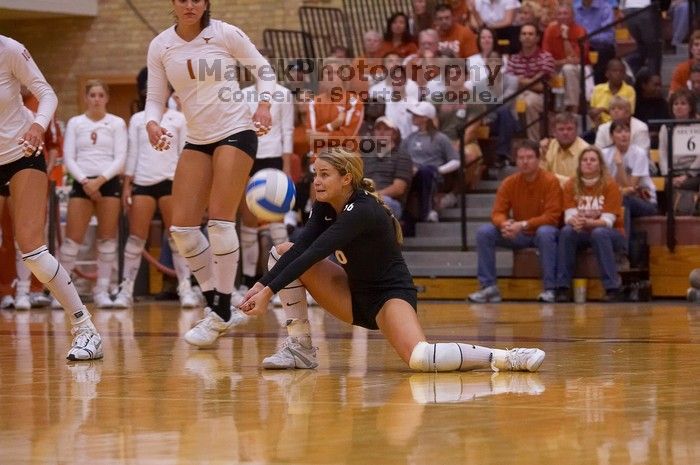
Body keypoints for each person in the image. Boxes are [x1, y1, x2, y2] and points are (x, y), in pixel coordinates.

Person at [238, 147, 545, 373]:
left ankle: (505, 357)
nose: (316, 181)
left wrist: (267, 293)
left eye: (325, 175)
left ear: (346, 179)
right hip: (351, 293)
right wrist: (262, 285)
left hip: (389, 297)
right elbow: (302, 245)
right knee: (282, 250)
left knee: (421, 358)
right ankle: (301, 351)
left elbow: (315, 252)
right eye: (315, 174)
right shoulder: (325, 205)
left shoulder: (362, 210)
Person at [145, 0, 274, 347]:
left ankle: (218, 310)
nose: (190, 5)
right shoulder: (160, 45)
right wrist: (152, 122)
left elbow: (264, 71)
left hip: (236, 131)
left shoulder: (225, 33)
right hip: (197, 139)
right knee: (182, 229)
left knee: (220, 222)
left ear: (206, 3)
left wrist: (263, 105)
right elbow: (155, 98)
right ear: (172, 3)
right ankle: (220, 303)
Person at [0, 34, 102, 360]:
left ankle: (85, 327)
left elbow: (46, 94)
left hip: (22, 153)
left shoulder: (10, 50)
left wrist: (38, 126)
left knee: (30, 246)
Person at [115, 92, 199, 308]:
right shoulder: (137, 119)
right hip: (143, 182)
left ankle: (186, 288)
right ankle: (126, 290)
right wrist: (127, 187)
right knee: (136, 239)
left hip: (171, 181)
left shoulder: (178, 119)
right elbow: (132, 154)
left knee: (177, 238)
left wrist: (187, 185)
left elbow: (184, 153)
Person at [60, 79, 127, 309]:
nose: (97, 99)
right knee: (71, 242)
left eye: (100, 95)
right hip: (82, 183)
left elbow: (120, 158)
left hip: (108, 183)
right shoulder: (75, 123)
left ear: (106, 98)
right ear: (86, 98)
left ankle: (102, 291)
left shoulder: (117, 123)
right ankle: (63, 294)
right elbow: (69, 158)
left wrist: (99, 181)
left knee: (107, 240)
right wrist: (86, 182)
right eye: (92, 95)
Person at [469, 140, 562, 303]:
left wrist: (523, 224)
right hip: (518, 233)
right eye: (520, 158)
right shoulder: (509, 183)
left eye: (529, 157)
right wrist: (505, 224)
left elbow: (553, 216)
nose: (525, 162)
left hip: (542, 231)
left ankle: (550, 288)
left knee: (546, 232)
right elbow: (497, 212)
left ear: (538, 159)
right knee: (485, 232)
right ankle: (489, 287)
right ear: (515, 160)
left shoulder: (550, 181)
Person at [237, 78, 295, 303]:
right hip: (248, 158)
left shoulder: (282, 93)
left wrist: (287, 166)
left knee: (277, 222)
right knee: (249, 221)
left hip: (273, 159)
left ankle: (285, 281)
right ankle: (247, 281)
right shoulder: (243, 94)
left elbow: (287, 130)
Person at [555, 146, 626, 302]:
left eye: (593, 160)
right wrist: (575, 221)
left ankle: (612, 288)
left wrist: (588, 222)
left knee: (599, 232)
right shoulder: (571, 184)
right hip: (583, 230)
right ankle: (562, 287)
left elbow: (608, 222)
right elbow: (569, 215)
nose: (588, 163)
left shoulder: (610, 185)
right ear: (579, 164)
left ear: (600, 164)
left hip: (612, 233)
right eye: (585, 160)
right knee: (567, 231)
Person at [401, 101, 460, 228]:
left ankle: (427, 211)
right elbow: (401, 158)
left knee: (426, 171)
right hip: (412, 175)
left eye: (417, 115)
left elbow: (456, 160)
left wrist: (438, 170)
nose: (413, 117)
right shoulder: (410, 138)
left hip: (432, 176)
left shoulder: (440, 138)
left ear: (426, 118)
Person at [602, 120, 657, 243]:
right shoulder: (604, 154)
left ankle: (622, 251)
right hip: (616, 198)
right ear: (611, 136)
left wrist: (619, 166)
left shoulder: (639, 153)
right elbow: (604, 185)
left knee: (624, 201)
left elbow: (631, 188)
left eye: (627, 131)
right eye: (619, 131)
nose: (624, 135)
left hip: (645, 201)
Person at [540, 112, 589, 186]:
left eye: (569, 129)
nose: (565, 132)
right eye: (561, 129)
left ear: (577, 131)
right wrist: (541, 155)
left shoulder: (586, 151)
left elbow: (583, 183)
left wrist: (553, 178)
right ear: (554, 132)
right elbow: (540, 176)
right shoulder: (548, 146)